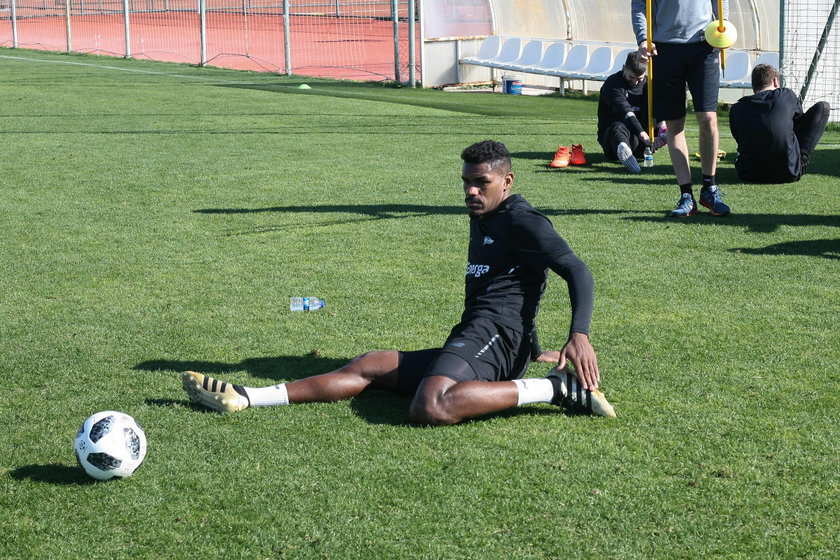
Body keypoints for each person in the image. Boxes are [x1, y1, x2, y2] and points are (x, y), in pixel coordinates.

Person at [182, 140, 616, 425]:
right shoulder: (485, 212)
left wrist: (578, 334)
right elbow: (516, 283)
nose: (470, 191)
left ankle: (557, 389)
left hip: (496, 335)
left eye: (480, 183)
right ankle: (249, 396)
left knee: (431, 405)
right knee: (370, 363)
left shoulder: (523, 221)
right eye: (465, 182)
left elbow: (576, 270)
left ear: (507, 181)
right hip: (484, 335)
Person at [632, 0, 731, 217]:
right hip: (664, 49)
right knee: (674, 125)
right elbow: (639, 5)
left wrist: (722, 27)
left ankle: (709, 189)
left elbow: (720, 3)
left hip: (704, 44)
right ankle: (686, 195)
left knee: (708, 118)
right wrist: (642, 39)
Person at [729, 64, 831, 183]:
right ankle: (800, 157)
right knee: (823, 107)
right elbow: (799, 121)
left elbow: (739, 138)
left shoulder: (736, 108)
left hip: (747, 174)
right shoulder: (785, 94)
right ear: (775, 81)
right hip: (789, 173)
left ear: (753, 85)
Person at [597, 52, 667, 174]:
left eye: (639, 78)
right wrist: (643, 135)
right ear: (624, 68)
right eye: (631, 77)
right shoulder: (613, 84)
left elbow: (658, 109)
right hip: (613, 141)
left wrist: (662, 131)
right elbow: (625, 111)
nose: (635, 82)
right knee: (618, 126)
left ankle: (655, 141)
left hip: (643, 142)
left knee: (657, 115)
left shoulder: (649, 85)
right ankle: (624, 151)